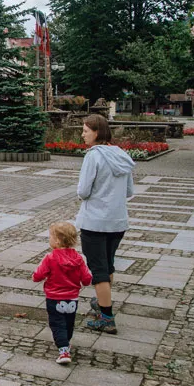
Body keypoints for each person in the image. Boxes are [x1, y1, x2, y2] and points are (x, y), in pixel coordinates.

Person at [77, 114, 135, 335]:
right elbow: (129, 191)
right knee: (108, 265)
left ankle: (106, 317)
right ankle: (102, 302)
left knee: (98, 270)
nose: (82, 135)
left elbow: (83, 191)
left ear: (97, 132)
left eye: (85, 131)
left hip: (95, 221)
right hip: (118, 220)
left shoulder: (93, 156)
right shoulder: (121, 154)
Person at [32, 221, 92, 365]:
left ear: (57, 241)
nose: (49, 239)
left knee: (57, 324)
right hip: (72, 298)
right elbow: (87, 279)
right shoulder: (79, 258)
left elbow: (38, 275)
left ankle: (63, 350)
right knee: (68, 322)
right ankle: (66, 341)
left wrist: (36, 276)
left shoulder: (50, 258)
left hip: (54, 298)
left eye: (50, 237)